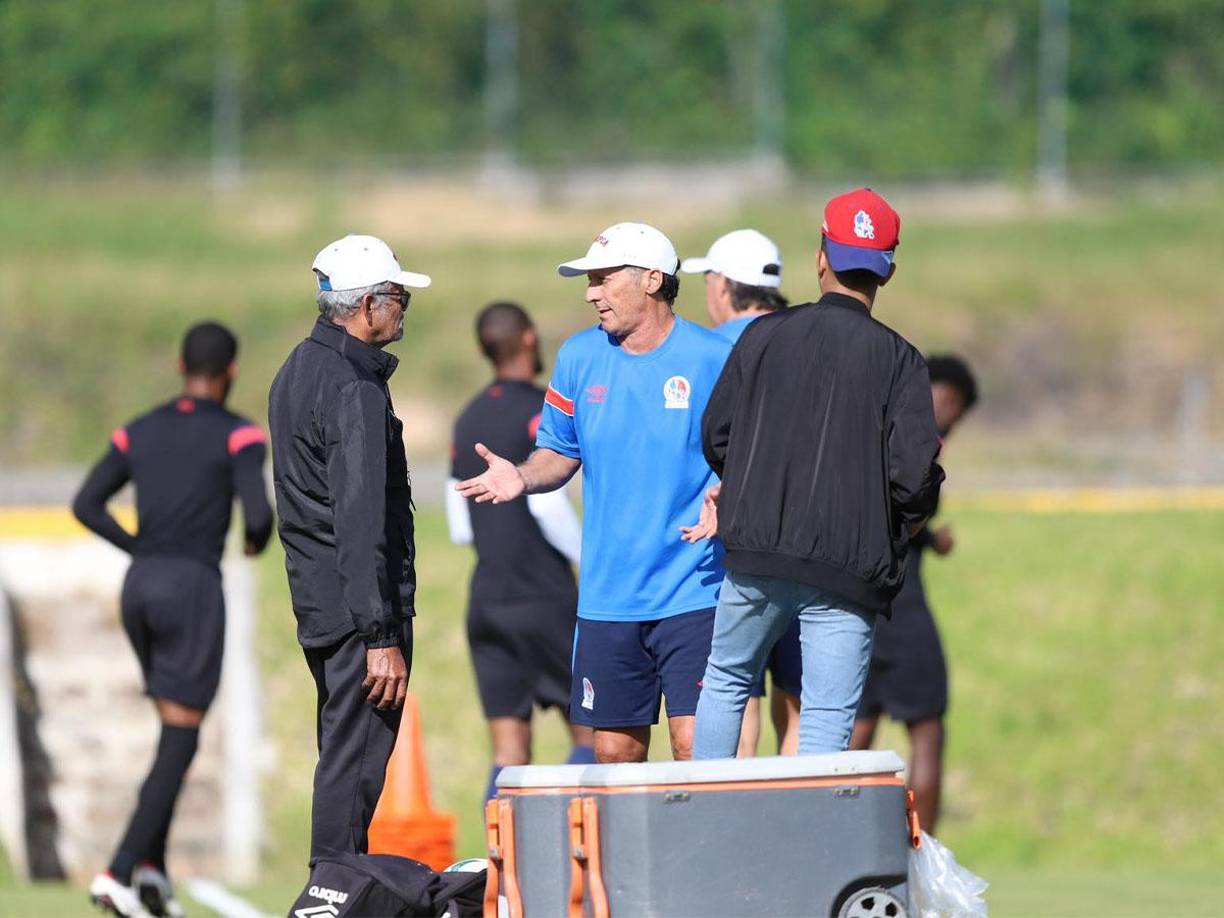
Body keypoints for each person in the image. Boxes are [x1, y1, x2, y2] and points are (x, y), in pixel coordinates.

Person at [456, 222, 730, 764]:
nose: (590, 293)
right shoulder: (579, 358)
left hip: (694, 589)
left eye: (603, 279)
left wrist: (731, 493)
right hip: (609, 597)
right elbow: (557, 453)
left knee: (695, 749)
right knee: (614, 755)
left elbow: (752, 451)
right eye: (589, 281)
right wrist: (524, 475)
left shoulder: (713, 357)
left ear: (652, 279)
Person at [692, 188, 945, 759]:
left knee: (729, 681)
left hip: (756, 553)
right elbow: (913, 479)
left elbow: (716, 436)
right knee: (827, 717)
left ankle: (702, 819)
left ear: (820, 256)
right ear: (889, 272)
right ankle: (815, 845)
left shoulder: (763, 336)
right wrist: (897, 527)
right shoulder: (901, 361)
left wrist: (755, 487)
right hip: (848, 569)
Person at [73, 322, 273, 918]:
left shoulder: (139, 429)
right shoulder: (239, 435)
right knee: (183, 736)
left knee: (170, 733)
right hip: (191, 588)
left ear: (177, 364)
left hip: (140, 588)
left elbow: (86, 503)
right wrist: (254, 543)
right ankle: (118, 871)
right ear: (231, 371)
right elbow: (259, 515)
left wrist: (139, 549)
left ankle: (154, 871)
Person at [268, 235, 426, 867]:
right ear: (368, 306)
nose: (404, 309)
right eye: (399, 297)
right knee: (353, 767)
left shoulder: (297, 367)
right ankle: (330, 897)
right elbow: (360, 520)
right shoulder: (353, 386)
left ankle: (331, 890)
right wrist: (380, 635)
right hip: (358, 614)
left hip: (319, 600)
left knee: (340, 754)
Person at [446, 301, 595, 800]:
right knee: (590, 733)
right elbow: (548, 508)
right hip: (544, 596)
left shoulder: (467, 419)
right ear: (529, 338)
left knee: (509, 751)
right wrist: (586, 558)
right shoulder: (540, 410)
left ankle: (504, 871)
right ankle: (582, 857)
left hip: (488, 597)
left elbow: (460, 525)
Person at [680, 229, 799, 757]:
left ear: (723, 283)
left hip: (727, 555)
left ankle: (737, 829)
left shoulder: (707, 350)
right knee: (798, 702)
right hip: (806, 546)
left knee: (736, 694)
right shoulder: (805, 339)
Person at [850, 355, 978, 833]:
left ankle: (835, 846)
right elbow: (898, 514)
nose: (952, 418)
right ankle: (923, 853)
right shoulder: (918, 445)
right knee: (927, 730)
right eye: (952, 405)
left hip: (855, 604)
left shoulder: (874, 429)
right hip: (901, 609)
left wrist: (927, 539)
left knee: (854, 735)